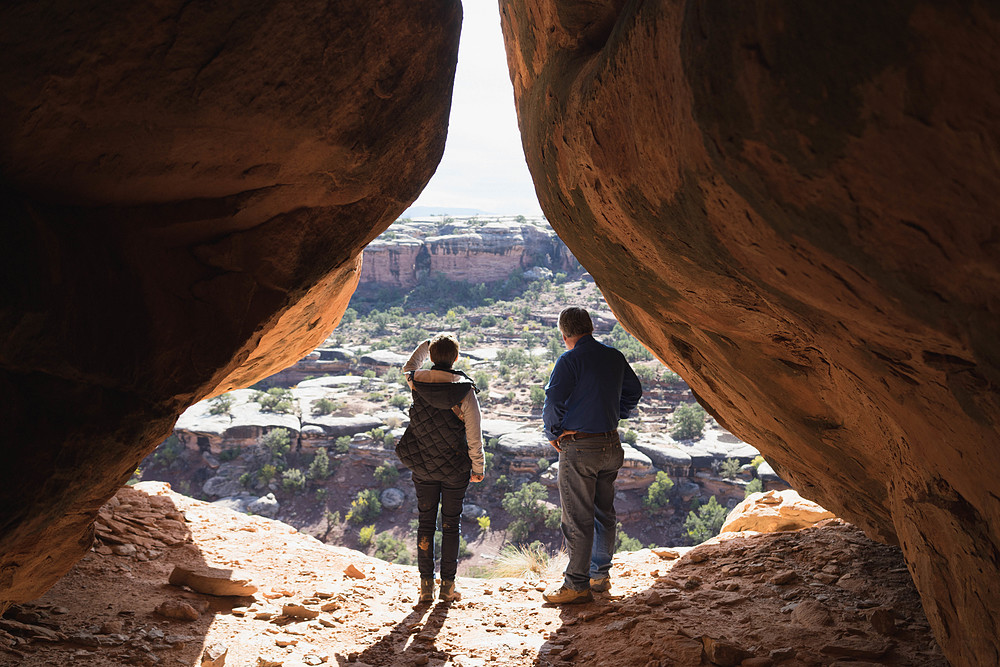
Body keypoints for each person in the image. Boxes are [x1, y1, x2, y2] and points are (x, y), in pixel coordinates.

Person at [541, 307, 642, 604]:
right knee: (603, 513)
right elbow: (634, 390)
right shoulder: (614, 356)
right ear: (591, 327)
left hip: (580, 447)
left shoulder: (569, 360)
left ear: (564, 334)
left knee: (577, 518)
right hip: (611, 443)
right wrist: (617, 414)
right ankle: (599, 576)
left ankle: (575, 585)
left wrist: (553, 433)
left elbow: (554, 401)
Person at [395, 334, 485, 603]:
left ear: (431, 357)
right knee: (450, 524)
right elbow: (474, 435)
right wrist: (478, 467)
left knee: (425, 522)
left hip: (422, 465)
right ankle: (447, 586)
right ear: (456, 358)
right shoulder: (465, 392)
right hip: (455, 468)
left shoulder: (416, 382)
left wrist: (426, 343)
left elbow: (409, 365)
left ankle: (425, 587)